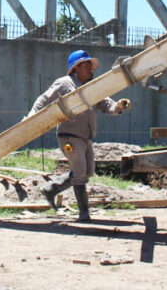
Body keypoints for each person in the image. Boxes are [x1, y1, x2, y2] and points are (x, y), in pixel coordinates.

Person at [32, 49, 131, 222]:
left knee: (88, 172)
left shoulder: (92, 87)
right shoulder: (65, 83)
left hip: (86, 138)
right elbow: (44, 99)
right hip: (69, 136)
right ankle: (83, 213)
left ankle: (51, 190)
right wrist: (32, 116)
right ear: (76, 67)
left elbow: (107, 104)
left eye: (91, 65)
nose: (91, 69)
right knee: (80, 173)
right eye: (87, 65)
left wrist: (119, 106)